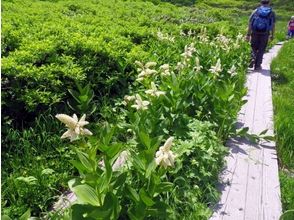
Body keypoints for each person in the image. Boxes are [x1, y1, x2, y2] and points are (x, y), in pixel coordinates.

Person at [246, 0, 276, 70]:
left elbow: (250, 23)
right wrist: (272, 35)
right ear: (269, 3)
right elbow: (273, 25)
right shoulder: (272, 13)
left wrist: (248, 34)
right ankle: (257, 66)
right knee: (261, 49)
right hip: (265, 33)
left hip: (255, 32)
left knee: (253, 46)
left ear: (260, 3)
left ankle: (253, 57)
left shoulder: (256, 11)